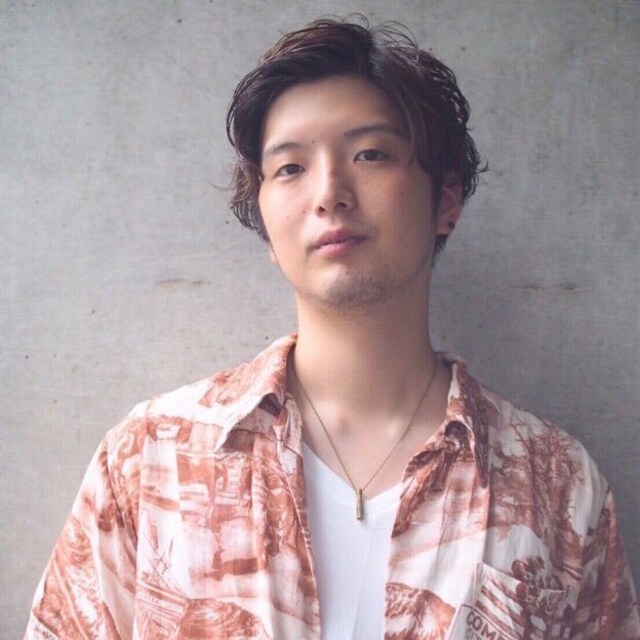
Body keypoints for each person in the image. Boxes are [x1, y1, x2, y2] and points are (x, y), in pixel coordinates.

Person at [25, 17, 639, 640]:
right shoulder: (151, 460)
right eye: (290, 167)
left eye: (370, 154)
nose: (329, 194)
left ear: (447, 198)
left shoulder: (558, 486)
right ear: (264, 222)